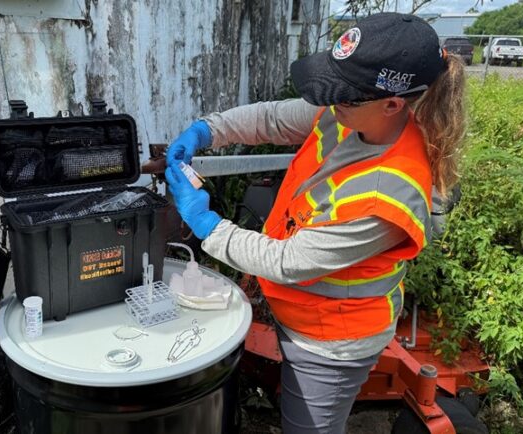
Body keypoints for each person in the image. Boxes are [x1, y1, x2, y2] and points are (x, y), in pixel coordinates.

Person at [164, 12, 466, 434]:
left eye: (343, 95)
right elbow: (273, 118)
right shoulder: (353, 115)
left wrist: (205, 223)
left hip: (331, 341)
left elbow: (289, 261)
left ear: (393, 103)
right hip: (300, 312)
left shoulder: (390, 194)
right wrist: (209, 130)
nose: (330, 102)